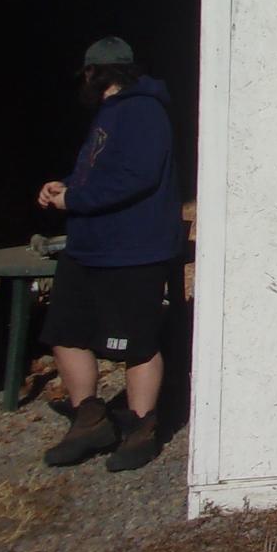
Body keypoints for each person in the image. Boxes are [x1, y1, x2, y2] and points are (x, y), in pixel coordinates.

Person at [36, 38, 183, 472]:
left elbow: (136, 176)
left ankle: (141, 428)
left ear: (95, 73)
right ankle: (90, 421)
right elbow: (100, 171)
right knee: (66, 332)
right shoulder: (110, 111)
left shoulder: (144, 110)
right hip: (89, 247)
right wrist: (65, 186)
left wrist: (74, 200)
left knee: (137, 342)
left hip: (133, 249)